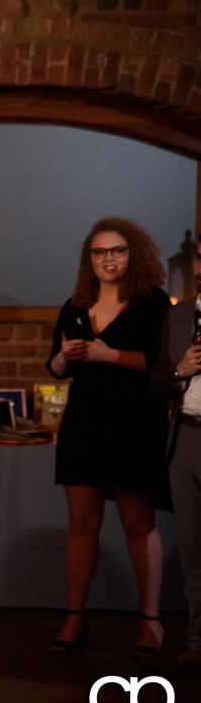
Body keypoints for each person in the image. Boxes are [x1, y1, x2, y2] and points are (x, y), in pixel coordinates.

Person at [46, 217, 171, 659]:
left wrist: (108, 353)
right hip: (84, 423)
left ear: (132, 254)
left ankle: (151, 623)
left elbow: (164, 365)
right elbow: (56, 371)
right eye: (100, 252)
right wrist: (64, 356)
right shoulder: (76, 303)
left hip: (136, 423)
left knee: (139, 524)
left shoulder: (153, 302)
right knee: (81, 525)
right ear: (89, 259)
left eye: (117, 251)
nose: (109, 259)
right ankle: (75, 618)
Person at [149, 239, 201, 672]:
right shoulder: (179, 314)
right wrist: (180, 371)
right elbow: (158, 382)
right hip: (185, 437)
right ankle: (198, 640)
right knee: (192, 549)